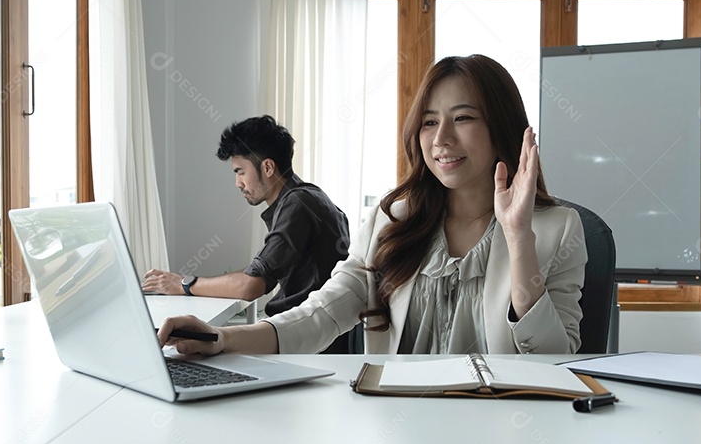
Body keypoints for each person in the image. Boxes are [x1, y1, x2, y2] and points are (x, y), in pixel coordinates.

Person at [158, 55, 586, 356]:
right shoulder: (393, 221)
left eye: (464, 118)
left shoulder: (557, 229)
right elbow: (321, 315)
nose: (441, 140)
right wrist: (223, 338)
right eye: (430, 121)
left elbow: (553, 358)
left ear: (502, 128)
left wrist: (517, 237)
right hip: (398, 426)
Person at [142, 115, 353, 353]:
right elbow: (256, 272)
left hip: (304, 343)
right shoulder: (307, 198)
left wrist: (184, 284)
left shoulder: (297, 204)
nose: (237, 183)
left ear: (268, 167)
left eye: (240, 171)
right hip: (306, 335)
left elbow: (251, 286)